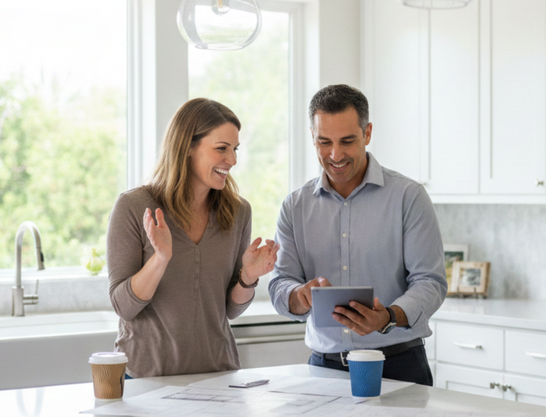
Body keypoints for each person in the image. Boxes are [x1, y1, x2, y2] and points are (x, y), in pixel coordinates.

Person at [268, 84, 447, 386]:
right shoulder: (295, 206)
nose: (335, 155)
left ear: (367, 133)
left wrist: (389, 316)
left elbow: (430, 282)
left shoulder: (408, 197)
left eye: (347, 141)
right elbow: (280, 282)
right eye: (324, 142)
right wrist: (299, 297)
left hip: (399, 367)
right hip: (323, 371)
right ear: (312, 138)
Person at [107, 98, 279, 378]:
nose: (233, 160)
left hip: (219, 376)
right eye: (221, 149)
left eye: (234, 149)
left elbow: (230, 310)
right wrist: (160, 258)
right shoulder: (134, 206)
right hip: (147, 377)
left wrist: (248, 277)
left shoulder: (238, 212)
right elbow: (124, 307)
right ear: (187, 146)